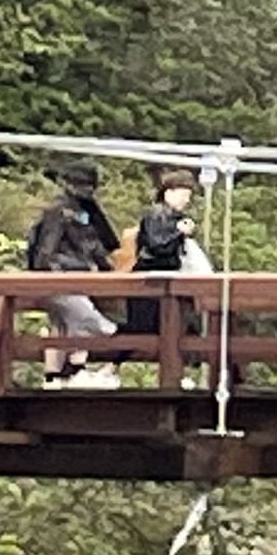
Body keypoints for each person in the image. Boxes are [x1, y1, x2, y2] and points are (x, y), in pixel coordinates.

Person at [23, 166, 124, 388]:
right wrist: (60, 275)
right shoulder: (59, 211)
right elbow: (46, 253)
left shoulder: (85, 211)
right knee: (87, 321)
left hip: (75, 277)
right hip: (62, 279)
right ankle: (71, 372)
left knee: (65, 323)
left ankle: (57, 376)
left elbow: (104, 245)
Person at [119, 165, 200, 347]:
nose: (186, 200)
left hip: (165, 278)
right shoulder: (155, 215)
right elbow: (156, 244)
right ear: (168, 193)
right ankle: (108, 366)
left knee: (171, 326)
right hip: (149, 278)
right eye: (183, 195)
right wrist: (178, 233)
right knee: (140, 329)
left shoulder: (175, 218)